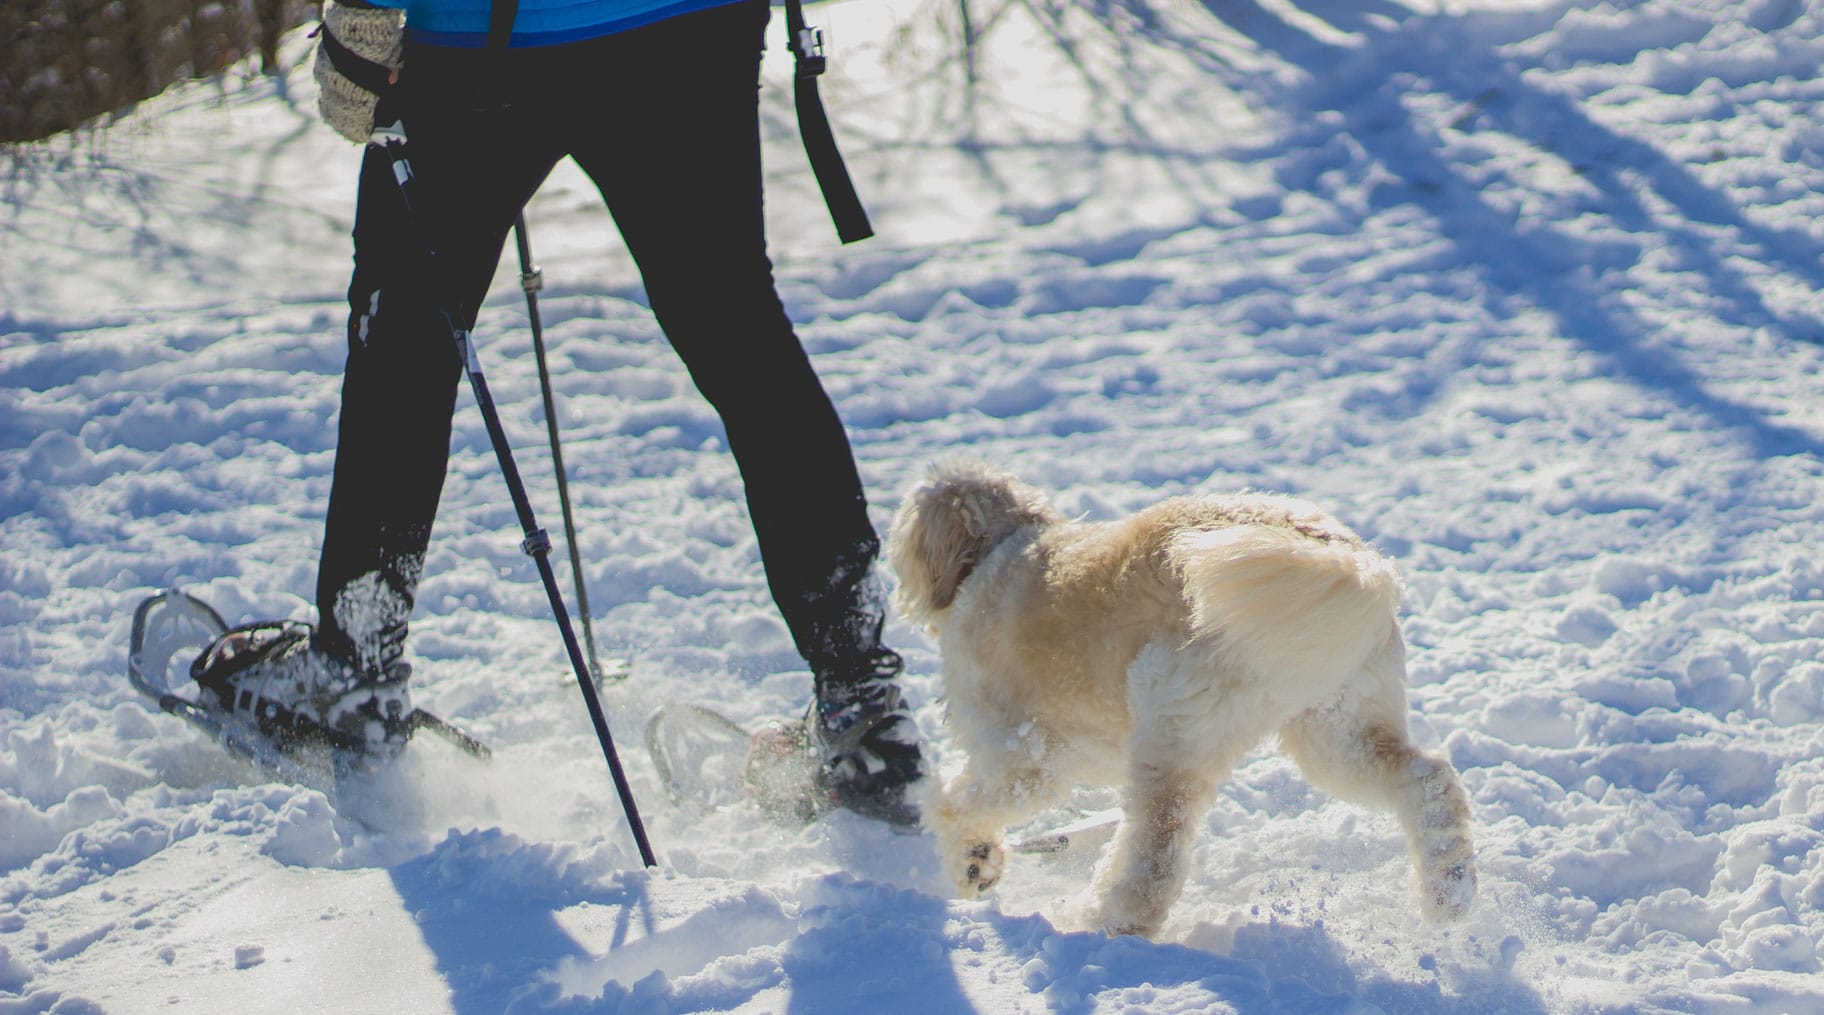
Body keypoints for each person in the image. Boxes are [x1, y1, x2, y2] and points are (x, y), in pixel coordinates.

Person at [192, 0, 923, 826]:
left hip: (479, 43)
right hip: (683, 30)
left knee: (407, 343)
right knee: (737, 330)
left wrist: (361, 15)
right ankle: (862, 705)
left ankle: (351, 671)